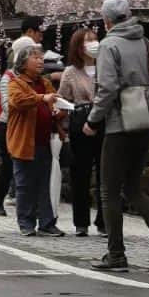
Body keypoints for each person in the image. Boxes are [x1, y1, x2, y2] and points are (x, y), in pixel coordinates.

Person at [82, 0, 149, 273]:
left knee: (109, 190)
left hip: (118, 125)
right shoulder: (147, 44)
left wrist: (93, 120)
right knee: (132, 186)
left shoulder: (109, 45)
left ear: (106, 20)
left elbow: (107, 88)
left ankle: (116, 254)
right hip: (144, 123)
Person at [7, 43, 63, 237]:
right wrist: (42, 99)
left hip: (45, 141)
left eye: (41, 58)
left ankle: (47, 222)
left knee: (45, 183)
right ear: (24, 62)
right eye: (36, 58)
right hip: (24, 142)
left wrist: (58, 110)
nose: (40, 61)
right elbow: (18, 101)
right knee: (25, 184)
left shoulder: (45, 83)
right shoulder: (16, 83)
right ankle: (26, 222)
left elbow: (55, 101)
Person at [57, 27, 105, 237]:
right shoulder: (70, 72)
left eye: (95, 40)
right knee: (80, 173)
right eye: (87, 41)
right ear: (78, 46)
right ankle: (81, 222)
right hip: (80, 121)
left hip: (104, 121)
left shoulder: (106, 67)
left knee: (106, 173)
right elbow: (62, 99)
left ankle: (104, 221)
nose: (93, 44)